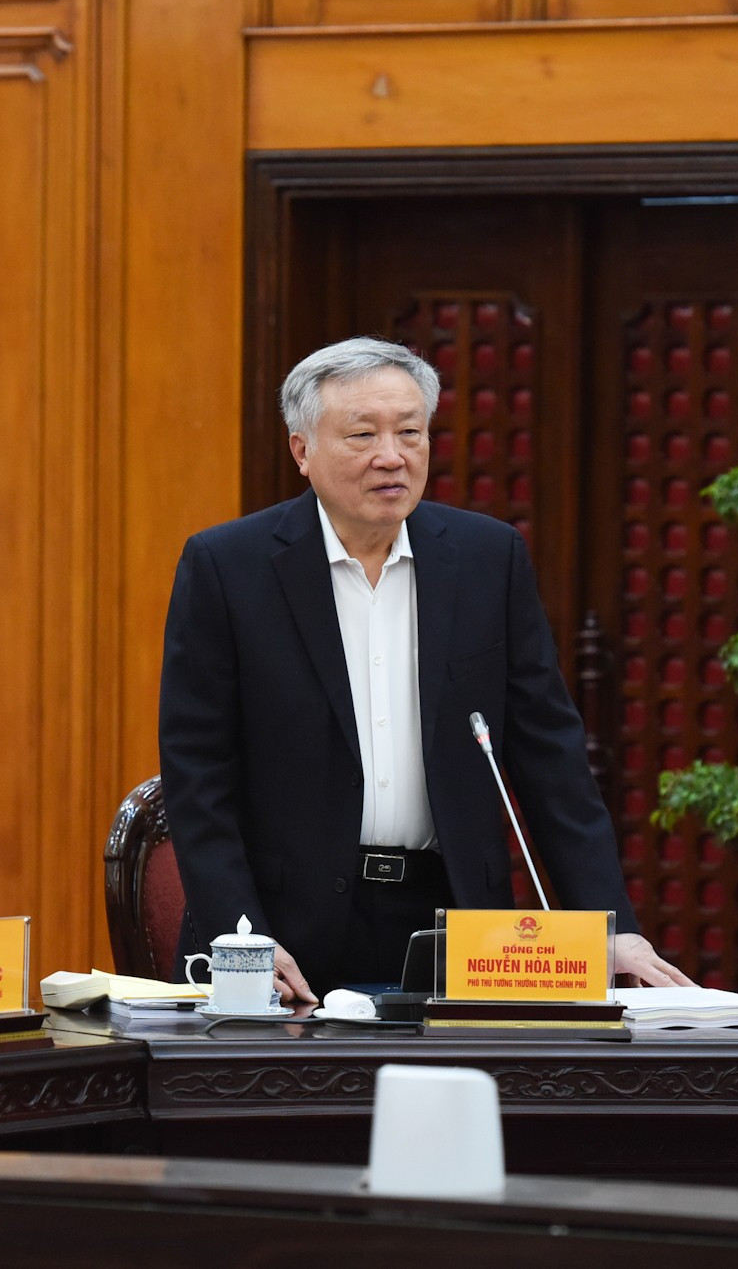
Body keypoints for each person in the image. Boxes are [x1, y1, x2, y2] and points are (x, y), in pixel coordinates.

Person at [159, 336, 691, 1001]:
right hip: (284, 932)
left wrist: (609, 923)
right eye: (362, 434)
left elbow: (550, 759)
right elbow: (198, 773)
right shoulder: (227, 568)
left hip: (457, 925)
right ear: (302, 450)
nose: (392, 455)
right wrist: (242, 942)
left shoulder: (486, 559)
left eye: (410, 432)